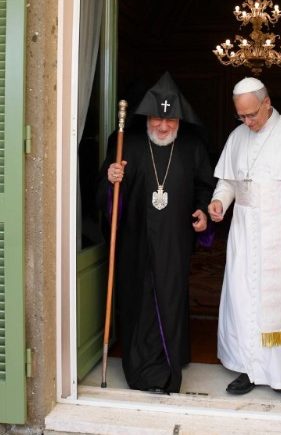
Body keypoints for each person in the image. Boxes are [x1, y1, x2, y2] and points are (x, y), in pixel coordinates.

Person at [99, 72, 215, 394]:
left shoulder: (192, 146)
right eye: (156, 120)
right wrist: (111, 178)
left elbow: (206, 185)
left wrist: (203, 210)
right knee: (139, 297)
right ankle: (143, 369)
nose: (163, 127)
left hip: (174, 240)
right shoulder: (126, 143)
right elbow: (105, 197)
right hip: (134, 239)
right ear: (147, 116)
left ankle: (170, 359)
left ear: (180, 119)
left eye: (170, 121)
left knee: (171, 295)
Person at [208, 77, 281, 395]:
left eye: (252, 115)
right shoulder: (236, 137)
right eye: (241, 116)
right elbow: (228, 182)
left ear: (267, 103)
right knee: (244, 299)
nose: (247, 122)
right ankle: (248, 369)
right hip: (245, 232)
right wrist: (220, 202)